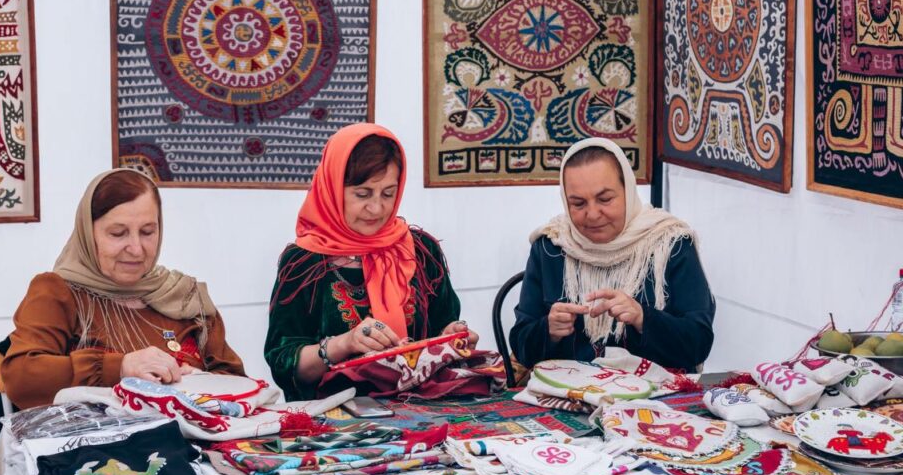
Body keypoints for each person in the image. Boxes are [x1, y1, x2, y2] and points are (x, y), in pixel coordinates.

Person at [265, 123, 476, 400]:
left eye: (388, 193)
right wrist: (343, 344)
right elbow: (284, 363)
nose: (376, 208)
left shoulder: (420, 251)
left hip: (424, 404)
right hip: (336, 414)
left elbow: (442, 326)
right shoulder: (304, 263)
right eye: (362, 194)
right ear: (332, 188)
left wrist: (450, 338)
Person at [2, 168, 244, 409]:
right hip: (96, 435)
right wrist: (120, 367)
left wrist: (201, 382)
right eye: (118, 233)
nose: (136, 249)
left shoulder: (183, 297)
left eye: (148, 232)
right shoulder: (59, 293)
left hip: (191, 433)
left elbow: (238, 384)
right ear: (88, 233)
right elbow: (21, 377)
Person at [509, 138, 714, 372]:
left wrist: (642, 318)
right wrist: (548, 330)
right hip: (569, 390)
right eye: (578, 203)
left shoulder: (670, 244)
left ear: (628, 191)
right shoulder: (552, 247)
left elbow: (698, 343)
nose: (593, 214)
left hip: (657, 390)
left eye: (605, 199)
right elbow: (522, 348)